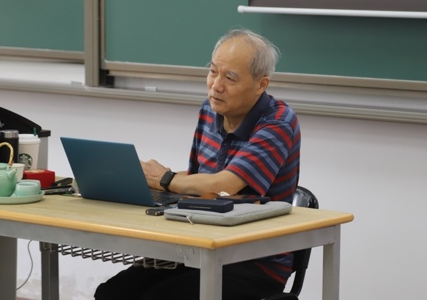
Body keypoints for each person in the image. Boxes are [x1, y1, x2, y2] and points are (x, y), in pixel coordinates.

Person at [94, 28, 301, 300]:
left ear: (261, 85)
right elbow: (197, 178)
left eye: (230, 78)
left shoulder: (278, 122)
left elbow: (224, 185)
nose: (216, 86)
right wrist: (139, 179)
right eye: (213, 71)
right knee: (112, 293)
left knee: (158, 298)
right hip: (199, 244)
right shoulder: (210, 110)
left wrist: (165, 178)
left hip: (253, 260)